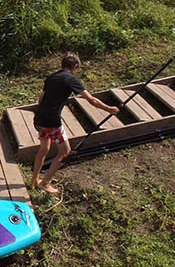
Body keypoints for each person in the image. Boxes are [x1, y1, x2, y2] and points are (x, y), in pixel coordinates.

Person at [31, 52, 120, 193]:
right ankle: (45, 183)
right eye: (78, 68)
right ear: (75, 66)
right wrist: (109, 109)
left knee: (43, 150)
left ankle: (34, 181)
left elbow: (41, 99)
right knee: (65, 152)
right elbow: (91, 99)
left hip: (40, 118)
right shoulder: (71, 79)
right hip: (52, 121)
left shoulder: (52, 77)